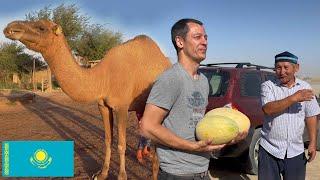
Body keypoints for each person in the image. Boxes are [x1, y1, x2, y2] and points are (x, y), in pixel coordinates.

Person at [139, 18, 246, 180]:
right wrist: (192, 147)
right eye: (197, 37)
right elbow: (147, 126)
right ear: (180, 42)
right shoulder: (171, 79)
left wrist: (230, 138)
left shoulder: (203, 81)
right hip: (177, 173)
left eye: (206, 37)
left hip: (202, 170)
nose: (204, 42)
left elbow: (198, 125)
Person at [259, 51, 320, 180]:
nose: (282, 71)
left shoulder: (305, 87)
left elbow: (311, 116)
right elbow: (268, 109)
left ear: (296, 68)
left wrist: (313, 142)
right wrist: (294, 98)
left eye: (286, 67)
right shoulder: (268, 86)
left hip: (295, 151)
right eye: (278, 67)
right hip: (269, 150)